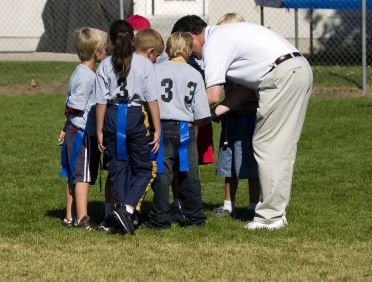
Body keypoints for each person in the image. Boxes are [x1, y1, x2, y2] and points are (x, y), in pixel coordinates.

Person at [173, 15, 313, 230]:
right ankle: (276, 213)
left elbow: (212, 94)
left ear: (192, 36)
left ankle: (270, 218)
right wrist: (213, 114)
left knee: (268, 147)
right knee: (280, 148)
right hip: (295, 69)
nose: (190, 54)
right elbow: (245, 88)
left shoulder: (214, 43)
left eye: (188, 47)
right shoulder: (225, 35)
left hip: (282, 76)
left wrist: (185, 112)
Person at [95, 20, 161, 235]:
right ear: (133, 39)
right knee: (145, 168)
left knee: (118, 168)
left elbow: (101, 101)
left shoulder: (104, 65)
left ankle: (120, 213)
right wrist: (157, 128)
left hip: (113, 116)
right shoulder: (144, 64)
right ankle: (127, 208)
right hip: (135, 115)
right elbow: (151, 99)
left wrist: (99, 130)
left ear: (111, 42)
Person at [148, 32, 210, 229]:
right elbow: (201, 112)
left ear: (168, 48)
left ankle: (159, 219)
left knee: (161, 175)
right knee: (189, 175)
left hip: (161, 127)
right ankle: (194, 217)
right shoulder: (194, 74)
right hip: (186, 128)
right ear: (190, 50)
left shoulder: (156, 70)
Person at [211, 13, 260, 221]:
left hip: (248, 121)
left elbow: (254, 95)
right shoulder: (227, 61)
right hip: (231, 123)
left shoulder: (250, 62)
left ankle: (253, 205)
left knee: (250, 164)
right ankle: (228, 205)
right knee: (228, 164)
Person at [60, 27, 107, 229]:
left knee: (74, 175)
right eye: (104, 48)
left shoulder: (82, 71)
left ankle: (70, 217)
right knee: (83, 177)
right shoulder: (86, 77)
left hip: (74, 131)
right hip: (82, 135)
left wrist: (64, 127)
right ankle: (83, 218)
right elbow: (73, 106)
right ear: (97, 52)